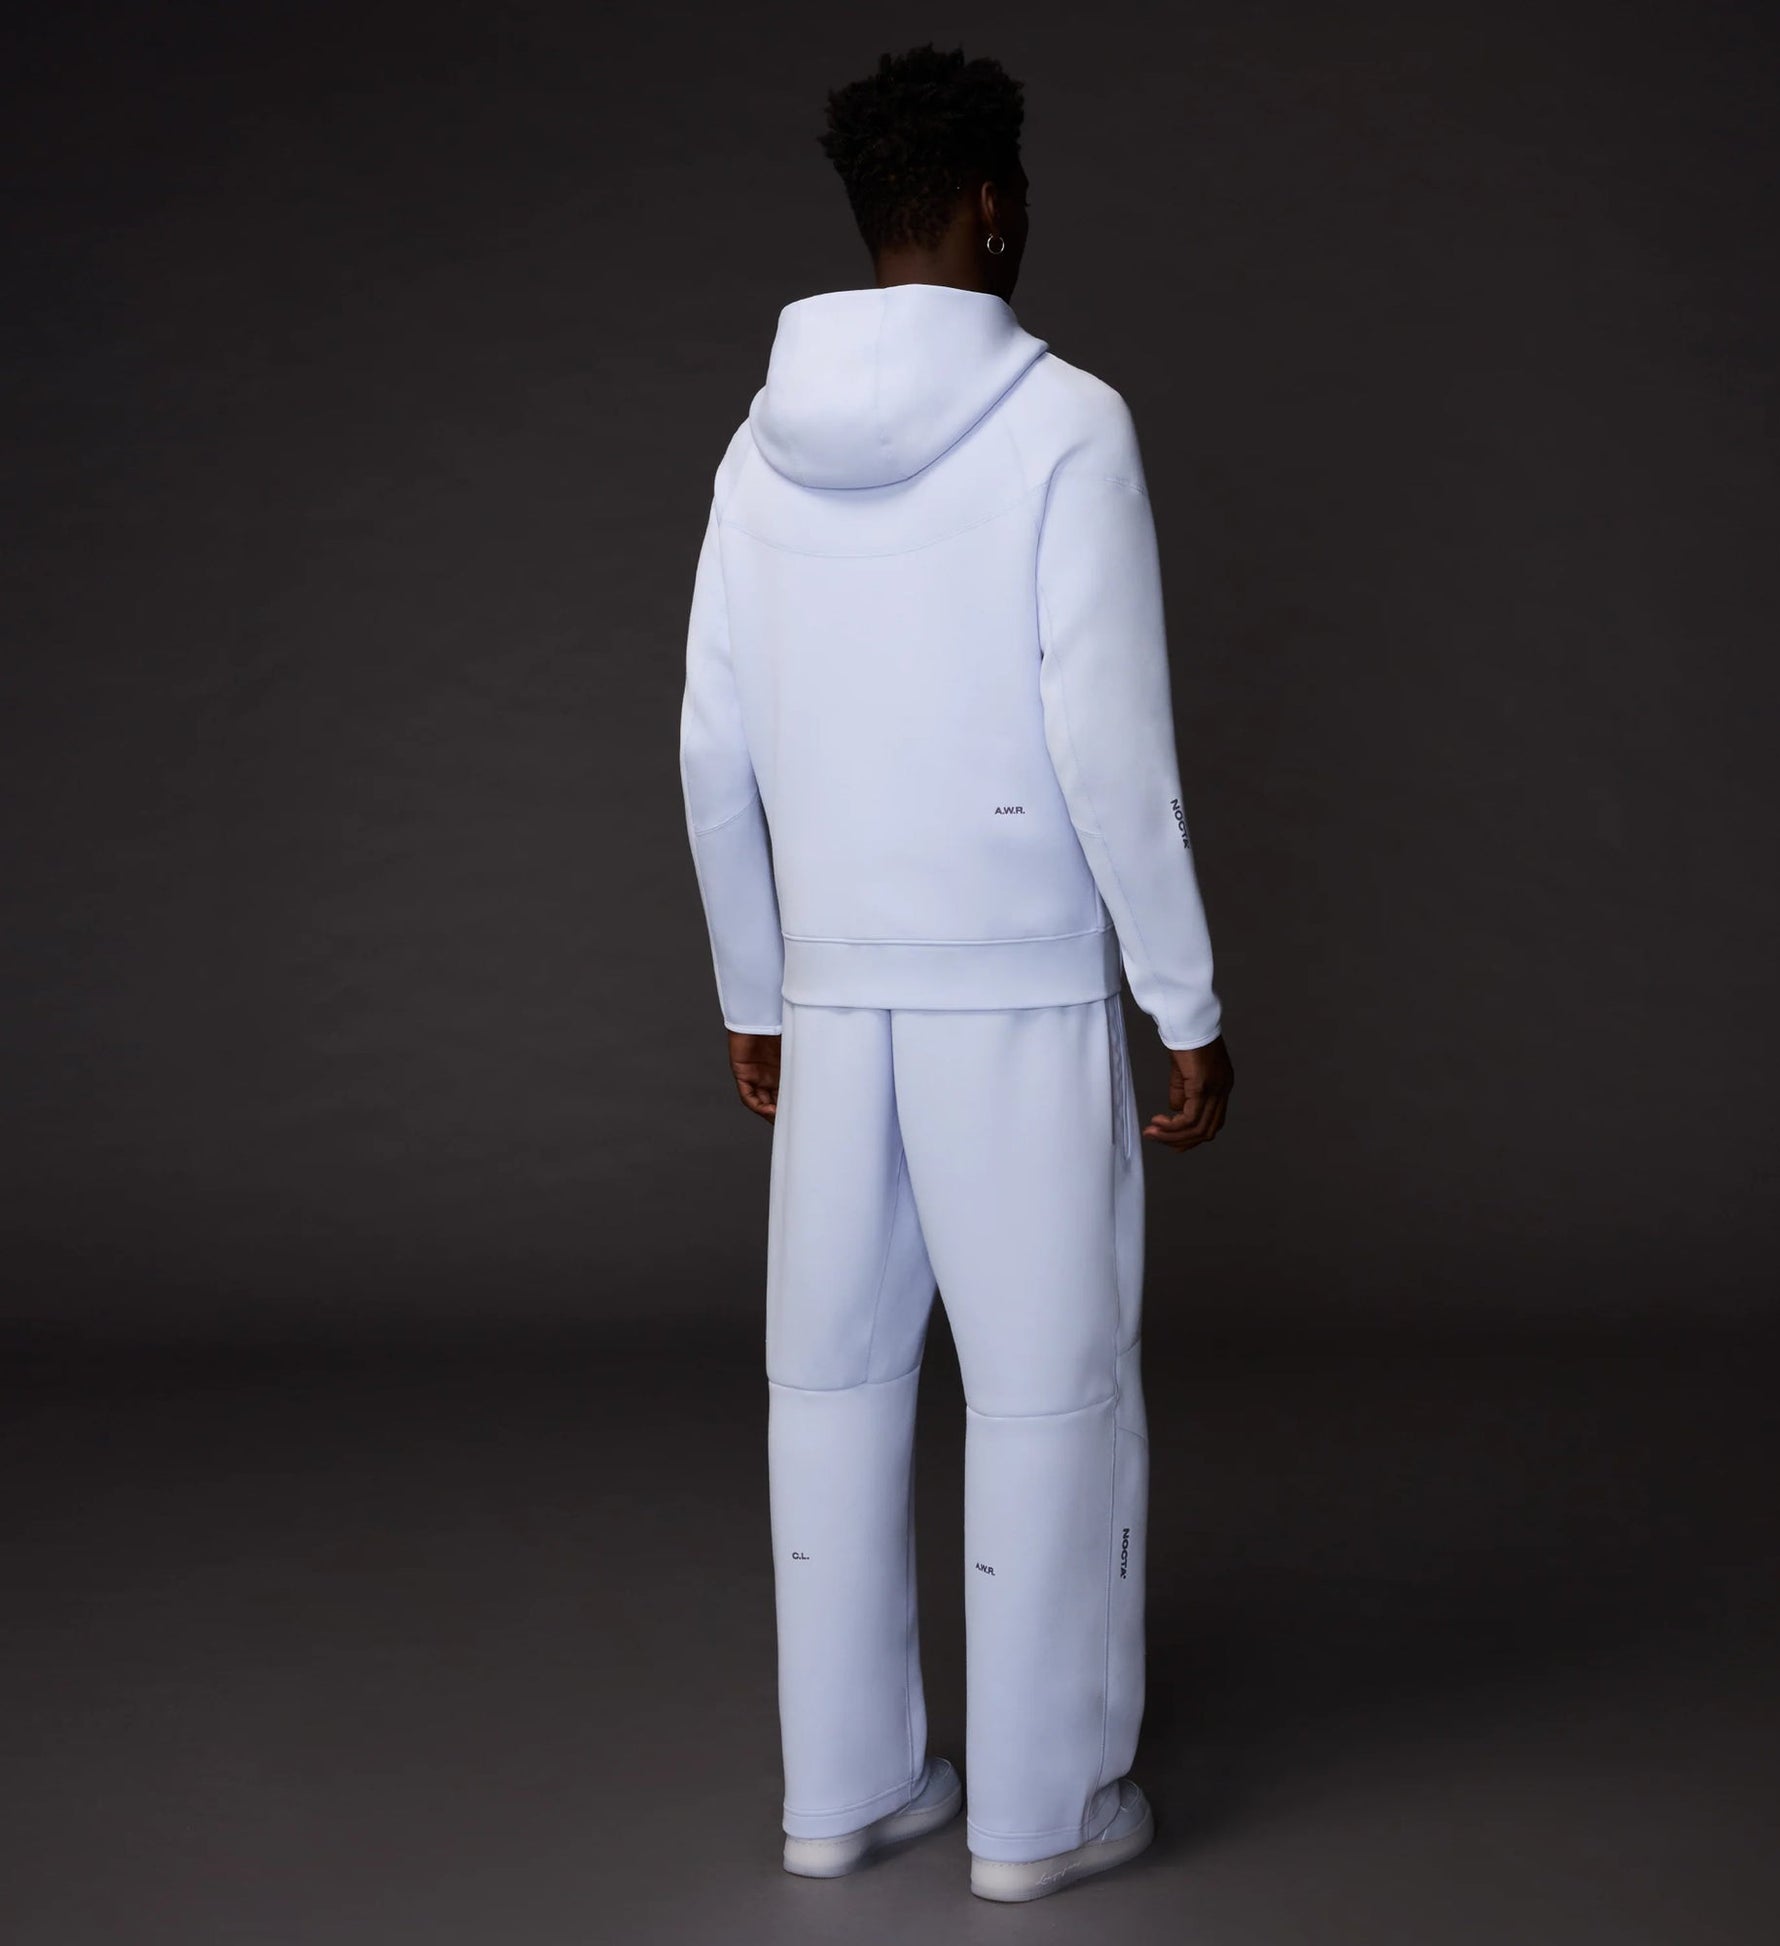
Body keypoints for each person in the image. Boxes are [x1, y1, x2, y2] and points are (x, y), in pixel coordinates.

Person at [677, 41, 1234, 1904]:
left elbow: (710, 746)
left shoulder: (755, 445)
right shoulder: (1067, 424)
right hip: (1017, 989)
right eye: (1020, 192)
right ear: (992, 204)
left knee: (828, 1388)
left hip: (837, 999)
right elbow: (1111, 750)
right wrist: (1183, 1001)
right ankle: (1036, 1814)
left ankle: (840, 1795)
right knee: (1048, 1392)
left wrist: (756, 990)